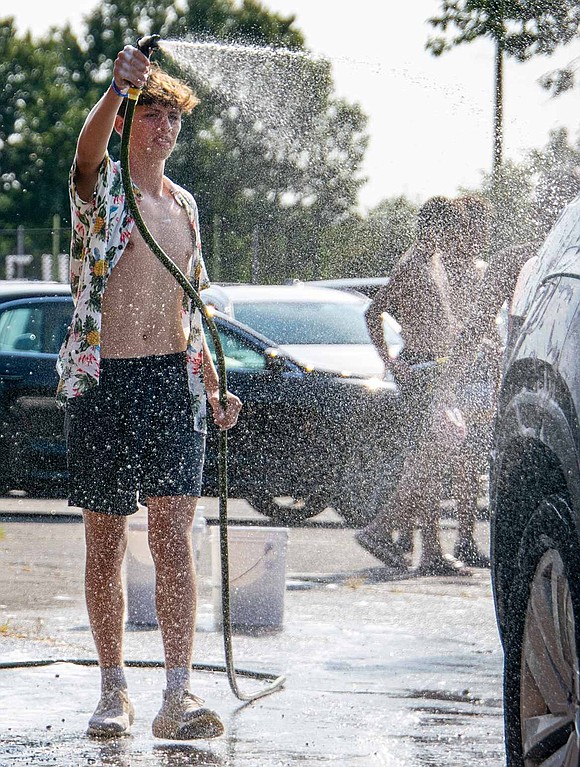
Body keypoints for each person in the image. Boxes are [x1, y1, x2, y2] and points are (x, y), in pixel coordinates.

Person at [56, 46, 242, 740]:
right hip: (106, 377)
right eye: (153, 114)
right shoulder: (103, 187)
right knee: (105, 540)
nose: (165, 127)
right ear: (131, 120)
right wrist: (115, 89)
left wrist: (216, 386)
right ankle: (113, 690)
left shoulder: (186, 205)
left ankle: (178, 693)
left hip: (172, 380)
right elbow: (83, 154)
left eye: (174, 118)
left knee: (174, 539)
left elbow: (191, 304)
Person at [357, 196, 469, 576]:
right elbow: (373, 312)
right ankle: (377, 530)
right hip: (420, 373)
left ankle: (433, 553)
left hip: (435, 372)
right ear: (437, 227)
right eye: (453, 230)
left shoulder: (433, 261)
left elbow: (441, 319)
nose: (457, 238)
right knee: (424, 466)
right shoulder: (412, 264)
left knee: (431, 467)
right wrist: (392, 363)